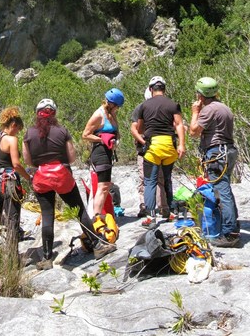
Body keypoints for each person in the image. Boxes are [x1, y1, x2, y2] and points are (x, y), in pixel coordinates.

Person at [24, 98, 115, 270]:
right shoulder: (62, 130)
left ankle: (46, 258)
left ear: (37, 114)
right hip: (62, 175)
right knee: (79, 210)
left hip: (41, 177)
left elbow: (28, 161)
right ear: (54, 114)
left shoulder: (29, 133)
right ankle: (97, 246)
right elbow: (72, 158)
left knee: (48, 215)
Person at [189, 77, 240, 247]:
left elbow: (194, 132)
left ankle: (230, 232)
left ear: (200, 95)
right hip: (228, 150)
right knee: (225, 188)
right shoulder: (224, 108)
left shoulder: (208, 110)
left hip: (217, 153)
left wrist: (195, 112)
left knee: (222, 190)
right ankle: (233, 225)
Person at [134, 76, 186, 228]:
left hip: (153, 147)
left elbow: (140, 129)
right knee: (167, 179)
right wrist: (182, 144)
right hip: (169, 146)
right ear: (164, 89)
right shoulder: (173, 104)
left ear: (151, 89)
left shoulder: (144, 106)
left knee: (150, 181)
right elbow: (179, 125)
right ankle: (170, 212)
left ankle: (151, 217)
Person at [0, 106, 31, 250]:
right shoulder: (12, 140)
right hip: (8, 182)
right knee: (13, 219)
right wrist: (29, 177)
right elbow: (16, 165)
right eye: (18, 129)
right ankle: (13, 258)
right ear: (13, 125)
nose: (18, 132)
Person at [81, 88, 124, 217]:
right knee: (103, 186)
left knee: (105, 186)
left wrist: (115, 138)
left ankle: (100, 214)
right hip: (100, 152)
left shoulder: (111, 114)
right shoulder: (99, 115)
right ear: (112, 104)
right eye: (117, 106)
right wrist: (102, 139)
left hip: (108, 152)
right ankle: (97, 217)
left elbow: (115, 131)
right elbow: (85, 135)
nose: (118, 109)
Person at [129, 85, 168, 218]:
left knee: (152, 178)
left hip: (151, 147)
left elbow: (135, 129)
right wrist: (143, 141)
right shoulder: (142, 108)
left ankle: (160, 206)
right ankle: (149, 206)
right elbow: (135, 128)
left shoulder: (145, 107)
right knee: (150, 178)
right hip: (148, 148)